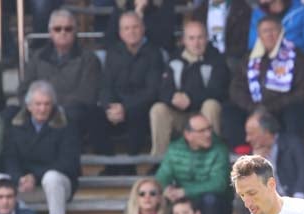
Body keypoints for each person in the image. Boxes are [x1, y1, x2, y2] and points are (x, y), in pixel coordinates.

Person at [224, 15, 304, 150]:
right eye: (265, 31)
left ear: (281, 33)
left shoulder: (297, 57)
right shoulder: (249, 58)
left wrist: (271, 106)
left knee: (297, 111)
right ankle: (241, 149)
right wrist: (253, 108)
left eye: (273, 31)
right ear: (259, 35)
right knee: (229, 110)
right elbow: (236, 88)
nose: (269, 35)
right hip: (253, 107)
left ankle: (289, 149)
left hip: (282, 108)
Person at [3, 80, 81, 214]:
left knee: (51, 178)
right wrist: (19, 178)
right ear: (29, 105)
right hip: (25, 185)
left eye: (47, 104)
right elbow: (10, 158)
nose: (42, 108)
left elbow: (67, 163)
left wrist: (35, 176)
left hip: (58, 186)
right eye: (38, 104)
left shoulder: (66, 124)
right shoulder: (15, 124)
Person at [19, 9, 102, 146]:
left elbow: (88, 95)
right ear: (50, 32)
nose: (63, 32)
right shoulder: (37, 57)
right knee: (10, 114)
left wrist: (52, 108)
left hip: (72, 112)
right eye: (58, 29)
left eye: (68, 29)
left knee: (74, 114)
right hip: (40, 109)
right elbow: (23, 90)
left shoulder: (89, 59)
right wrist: (36, 106)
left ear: (75, 31)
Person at [150, 19, 229, 158]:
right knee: (158, 109)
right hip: (180, 115)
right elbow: (162, 89)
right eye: (191, 38)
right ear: (183, 41)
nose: (196, 43)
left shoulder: (217, 59)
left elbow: (217, 90)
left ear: (207, 38)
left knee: (212, 105)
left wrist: (191, 99)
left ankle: (213, 158)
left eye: (200, 37)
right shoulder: (174, 59)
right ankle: (159, 160)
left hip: (202, 112)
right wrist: (172, 97)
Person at [99, 11, 163, 158]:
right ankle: (110, 164)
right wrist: (109, 106)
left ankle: (131, 163)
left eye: (135, 27)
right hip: (115, 107)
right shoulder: (113, 52)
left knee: (137, 115)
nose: (131, 32)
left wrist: (125, 107)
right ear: (120, 32)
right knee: (94, 116)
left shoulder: (154, 53)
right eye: (126, 28)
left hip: (139, 108)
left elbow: (152, 91)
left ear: (143, 29)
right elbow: (105, 85)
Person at [156, 112, 231, 214]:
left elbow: (219, 184)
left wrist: (185, 191)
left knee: (210, 199)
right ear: (188, 135)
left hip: (216, 206)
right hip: (184, 202)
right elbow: (161, 177)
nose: (208, 134)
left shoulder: (220, 149)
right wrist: (166, 189)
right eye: (202, 131)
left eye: (209, 129)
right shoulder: (175, 149)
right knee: (155, 196)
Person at [245, 108, 304, 201]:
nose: (247, 139)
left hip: (299, 199)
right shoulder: (253, 154)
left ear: (266, 132)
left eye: (251, 134)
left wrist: (298, 199)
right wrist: (255, 165)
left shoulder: (293, 144)